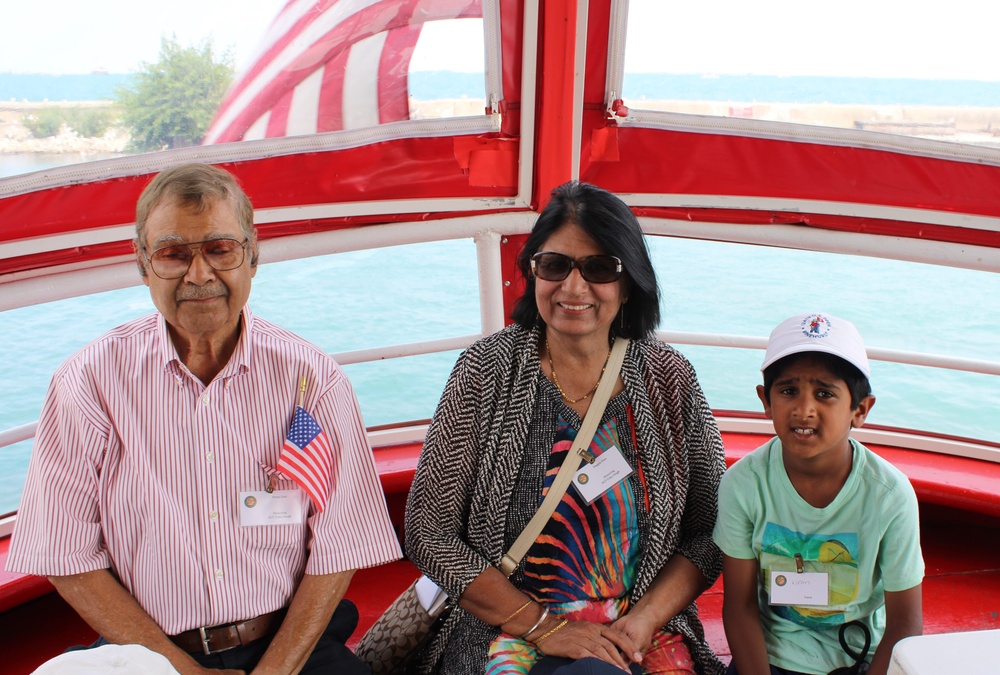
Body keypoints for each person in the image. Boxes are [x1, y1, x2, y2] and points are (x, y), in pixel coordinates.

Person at [7, 163, 402, 675]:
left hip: (292, 647)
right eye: (174, 254)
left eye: (220, 249)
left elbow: (341, 538)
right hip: (147, 653)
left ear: (252, 255)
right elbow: (66, 554)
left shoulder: (311, 378)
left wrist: (276, 669)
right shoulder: (89, 382)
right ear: (143, 265)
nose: (199, 275)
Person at [405, 181, 727, 675]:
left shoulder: (668, 378)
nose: (573, 288)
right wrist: (543, 627)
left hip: (639, 630)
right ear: (533, 271)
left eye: (599, 268)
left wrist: (645, 619)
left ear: (628, 281)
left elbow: (710, 529)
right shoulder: (485, 370)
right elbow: (430, 530)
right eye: (555, 265)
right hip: (508, 632)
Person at [713, 313, 924, 675]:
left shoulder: (890, 495)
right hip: (772, 657)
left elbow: (905, 625)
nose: (804, 409)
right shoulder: (744, 484)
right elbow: (740, 607)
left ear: (860, 409)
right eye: (788, 390)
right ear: (766, 401)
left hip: (860, 658)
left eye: (825, 393)